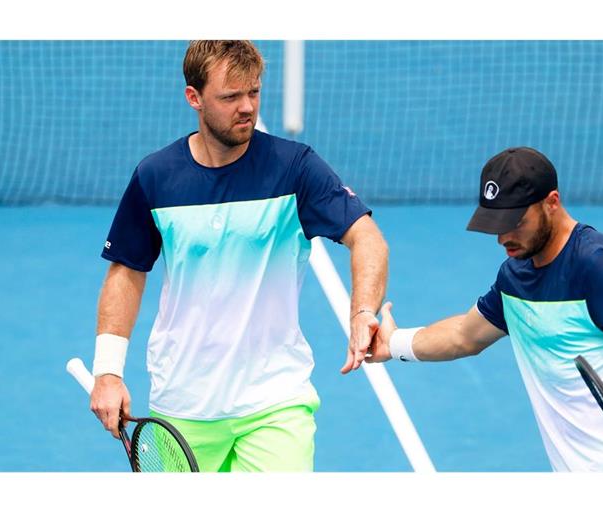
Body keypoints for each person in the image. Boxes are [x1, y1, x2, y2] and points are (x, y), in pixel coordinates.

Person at [89, 40, 388, 472]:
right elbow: (126, 272)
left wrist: (362, 311)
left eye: (254, 92)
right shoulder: (156, 176)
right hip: (184, 402)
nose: (246, 107)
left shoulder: (295, 168)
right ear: (194, 98)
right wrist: (108, 372)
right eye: (230, 97)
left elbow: (368, 238)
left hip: (275, 400)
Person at [367, 147, 603, 472]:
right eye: (496, 224)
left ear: (551, 203)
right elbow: (463, 336)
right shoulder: (515, 276)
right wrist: (394, 343)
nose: (503, 238)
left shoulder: (602, 267)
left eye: (515, 221)